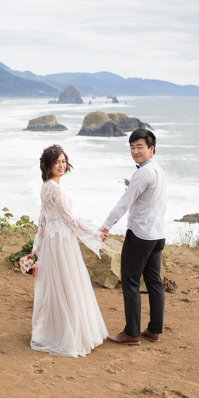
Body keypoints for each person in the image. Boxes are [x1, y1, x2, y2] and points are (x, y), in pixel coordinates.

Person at [29, 145, 110, 357]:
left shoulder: (45, 186)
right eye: (57, 162)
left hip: (54, 241)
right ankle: (68, 334)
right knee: (68, 284)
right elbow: (68, 218)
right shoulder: (54, 189)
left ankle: (54, 329)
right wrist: (93, 234)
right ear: (48, 165)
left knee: (59, 285)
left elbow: (43, 221)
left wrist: (36, 248)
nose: (61, 165)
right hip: (63, 241)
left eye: (64, 161)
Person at [98, 128, 167, 345]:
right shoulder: (158, 171)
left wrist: (106, 226)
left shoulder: (143, 173)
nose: (135, 151)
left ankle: (132, 333)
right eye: (132, 147)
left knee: (130, 281)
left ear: (151, 149)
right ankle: (154, 330)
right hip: (157, 235)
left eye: (140, 147)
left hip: (140, 235)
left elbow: (124, 202)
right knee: (154, 282)